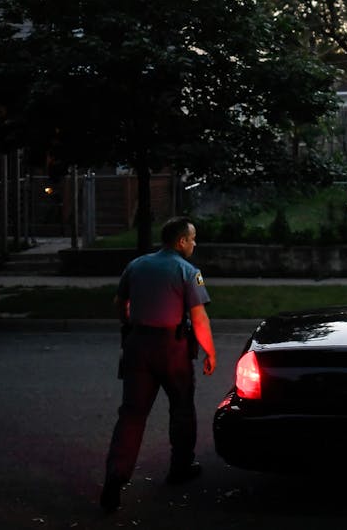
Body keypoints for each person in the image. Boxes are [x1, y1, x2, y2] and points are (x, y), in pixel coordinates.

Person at [100, 216, 217, 513]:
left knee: (132, 415)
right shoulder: (189, 272)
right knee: (181, 408)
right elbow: (199, 316)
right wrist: (210, 352)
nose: (194, 243)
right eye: (192, 238)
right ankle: (180, 467)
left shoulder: (136, 265)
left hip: (138, 346)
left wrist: (130, 324)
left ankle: (115, 477)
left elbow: (120, 302)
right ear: (180, 242)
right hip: (172, 348)